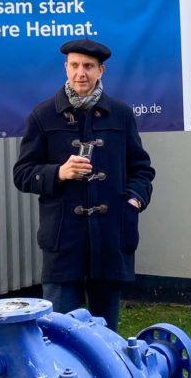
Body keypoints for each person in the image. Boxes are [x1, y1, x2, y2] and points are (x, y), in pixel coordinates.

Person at [13, 39, 155, 331]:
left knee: (105, 334)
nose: (81, 73)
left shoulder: (121, 114)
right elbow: (22, 173)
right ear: (65, 68)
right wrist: (59, 172)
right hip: (63, 240)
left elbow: (142, 169)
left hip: (111, 237)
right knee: (60, 332)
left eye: (88, 66)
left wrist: (133, 201)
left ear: (101, 70)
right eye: (75, 65)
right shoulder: (42, 115)